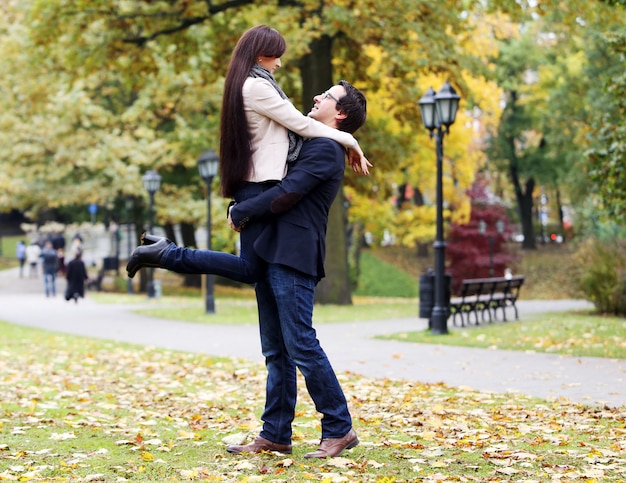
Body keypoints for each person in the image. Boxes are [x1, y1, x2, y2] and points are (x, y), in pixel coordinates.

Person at [128, 80, 367, 458]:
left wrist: (241, 211)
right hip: (273, 250)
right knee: (276, 351)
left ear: (340, 113)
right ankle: (275, 434)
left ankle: (339, 427)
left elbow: (289, 191)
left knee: (301, 344)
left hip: (294, 254)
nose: (317, 97)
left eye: (327, 96)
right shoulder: (313, 140)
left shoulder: (324, 149)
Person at [127, 25, 369, 283]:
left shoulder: (255, 85)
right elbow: (302, 124)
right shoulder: (257, 88)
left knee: (254, 270)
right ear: (259, 55)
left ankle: (165, 253)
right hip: (259, 186)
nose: (279, 63)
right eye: (275, 56)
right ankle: (167, 254)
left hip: (257, 186)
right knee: (250, 269)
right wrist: (349, 139)